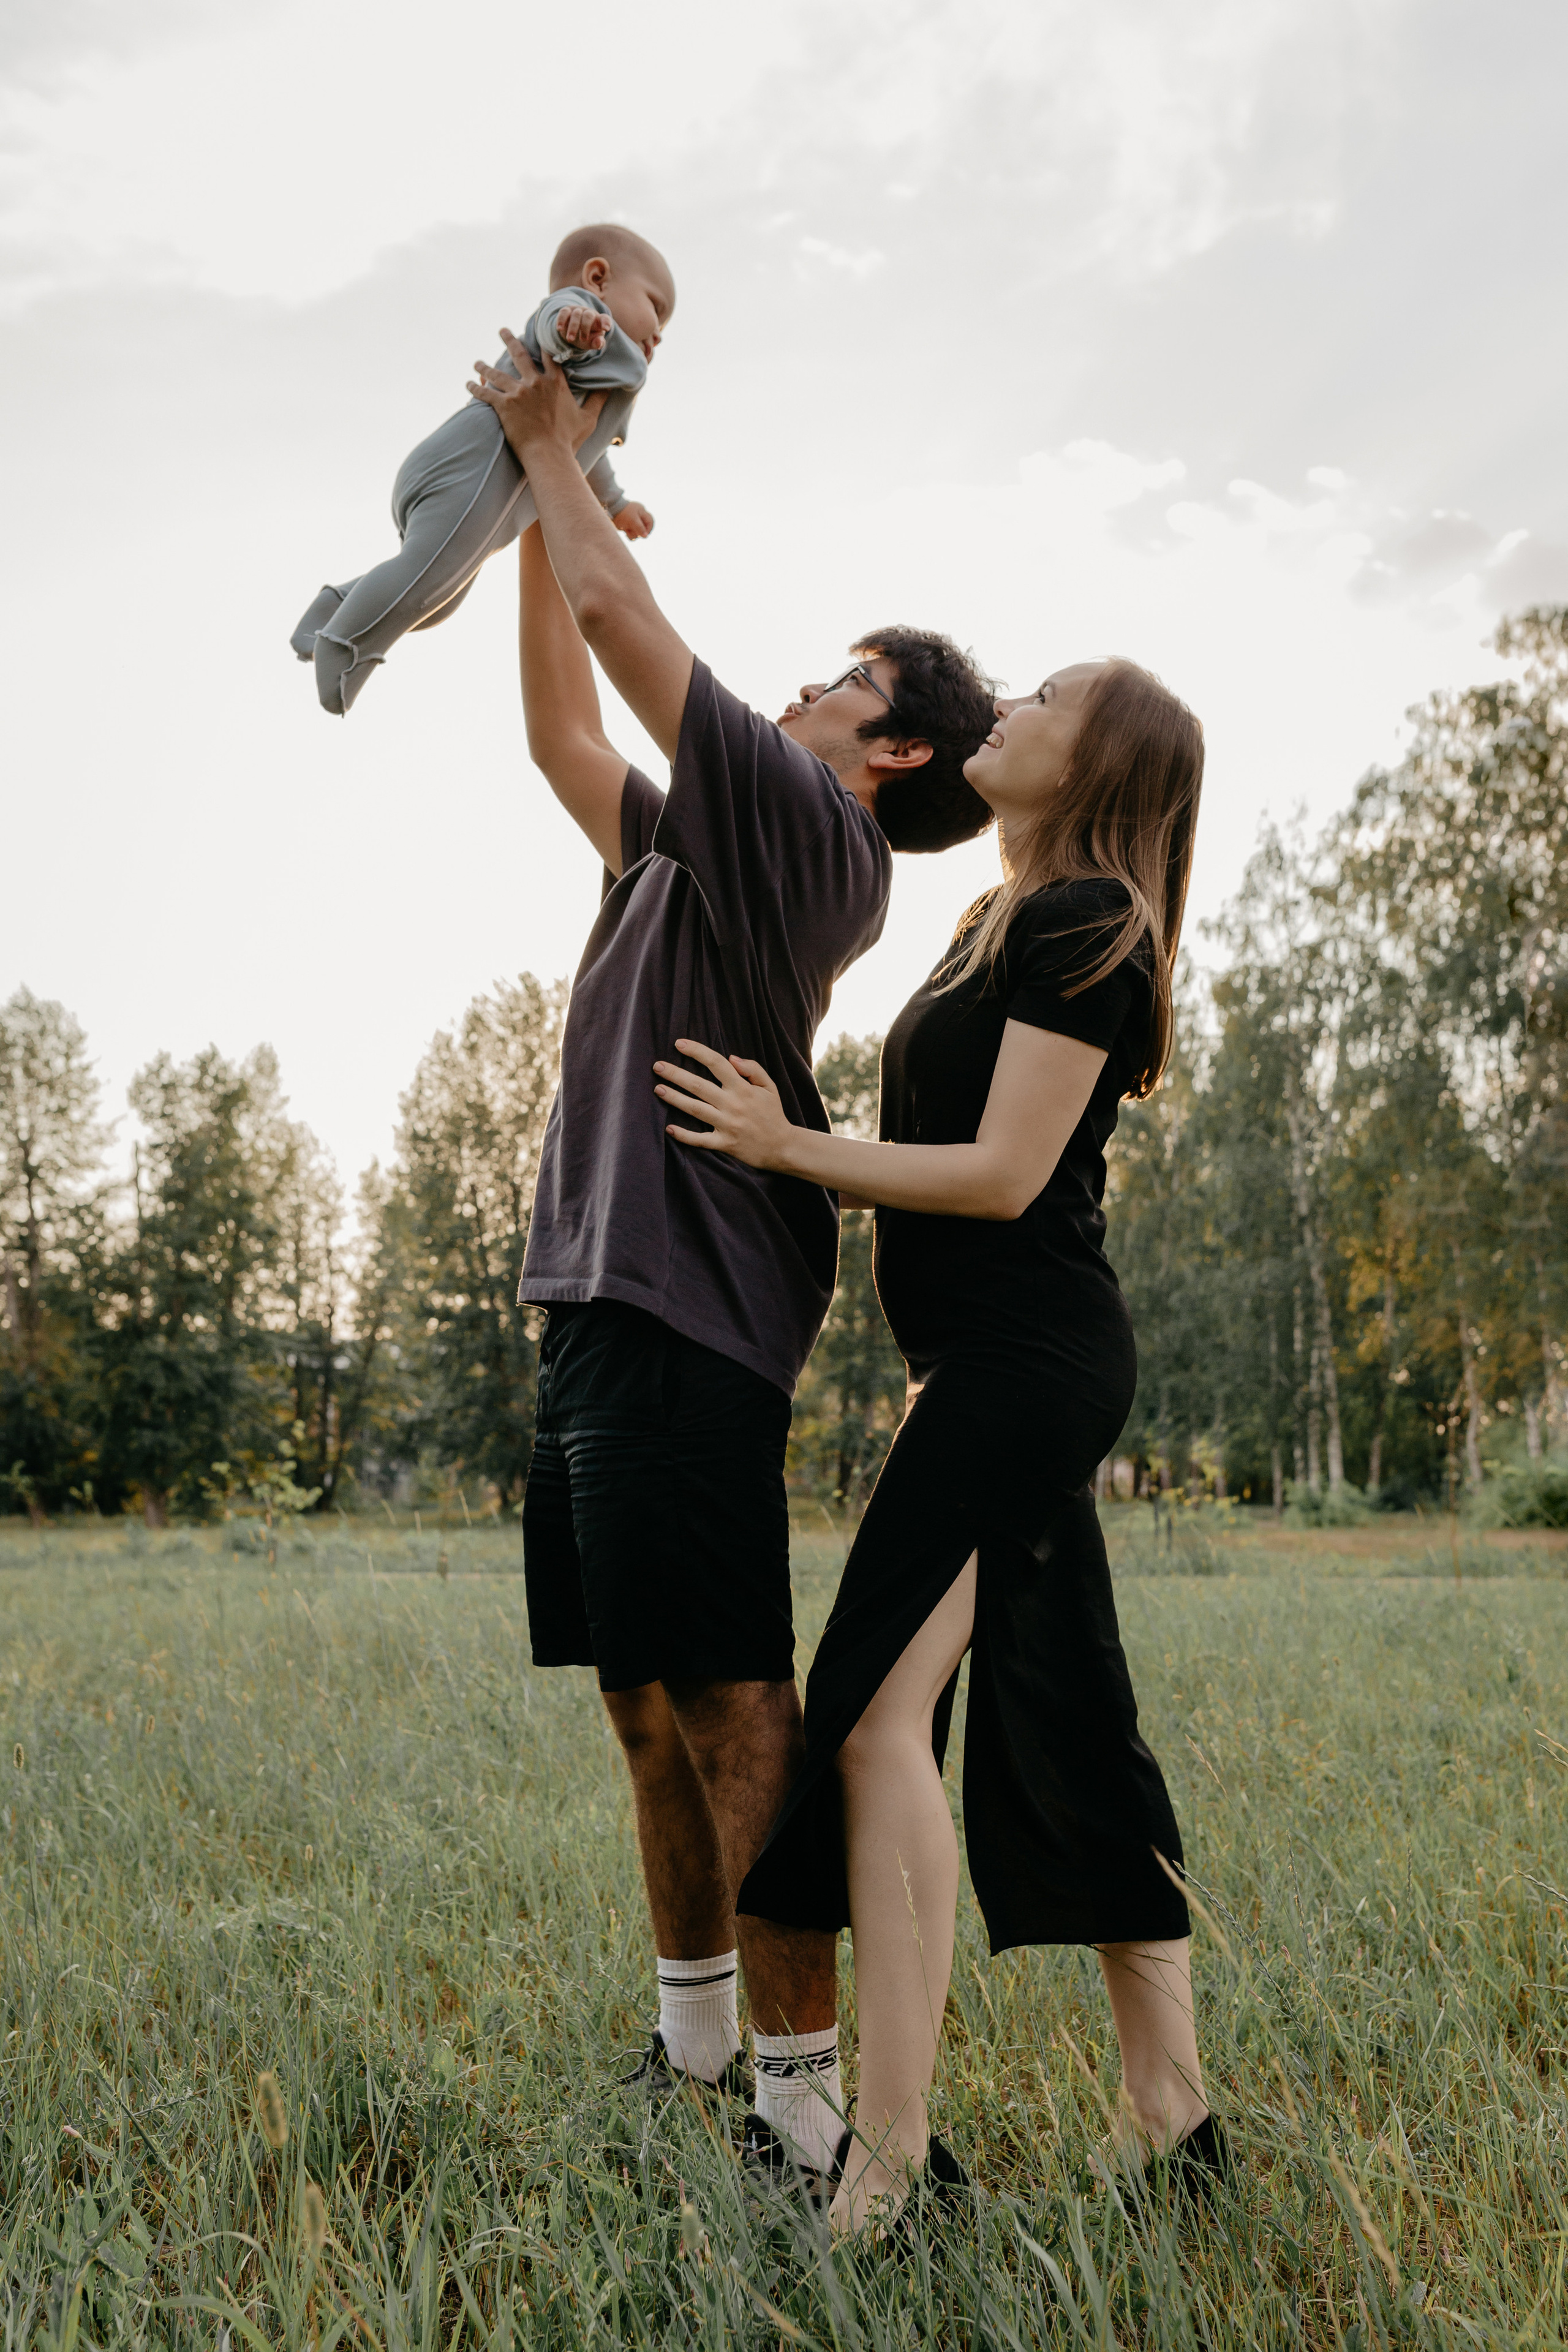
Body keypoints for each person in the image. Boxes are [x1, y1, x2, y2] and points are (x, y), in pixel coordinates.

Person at [467, 324, 998, 2191]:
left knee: (726, 1694)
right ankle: (695, 2048)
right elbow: (561, 721)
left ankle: (796, 2096)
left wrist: (556, 455)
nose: (813, 682)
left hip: (690, 1305)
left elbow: (630, 637)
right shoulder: (693, 841)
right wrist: (550, 518)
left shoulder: (812, 839)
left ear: (896, 750)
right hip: (592, 1301)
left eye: (854, 678)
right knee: (635, 1699)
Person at [652, 656, 1224, 2235]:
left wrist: (786, 1146)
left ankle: (885, 2157)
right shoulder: (1005, 918)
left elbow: (997, 1175)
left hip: (1022, 1363)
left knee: (871, 1717)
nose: (1010, 713)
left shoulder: (1079, 918)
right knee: (1072, 1713)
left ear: (1099, 757)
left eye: (1045, 694)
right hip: (984, 1366)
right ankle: (1170, 2111)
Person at [290, 224, 670, 715]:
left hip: (468, 484)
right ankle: (345, 645)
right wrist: (574, 326)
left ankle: (336, 606)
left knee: (440, 599)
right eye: (657, 307)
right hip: (466, 469)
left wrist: (616, 504)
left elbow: (587, 455)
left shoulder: (593, 385)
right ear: (598, 279)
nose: (659, 333)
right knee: (427, 579)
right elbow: (554, 323)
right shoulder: (583, 314)